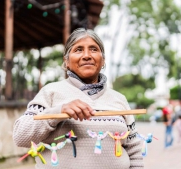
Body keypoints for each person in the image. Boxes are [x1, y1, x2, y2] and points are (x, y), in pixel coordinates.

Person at [13, 28, 143, 169]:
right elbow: (20, 136)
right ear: (67, 61)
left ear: (103, 60)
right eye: (78, 50)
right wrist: (58, 112)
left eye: (93, 49)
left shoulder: (119, 99)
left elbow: (134, 150)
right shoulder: (50, 92)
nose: (87, 55)